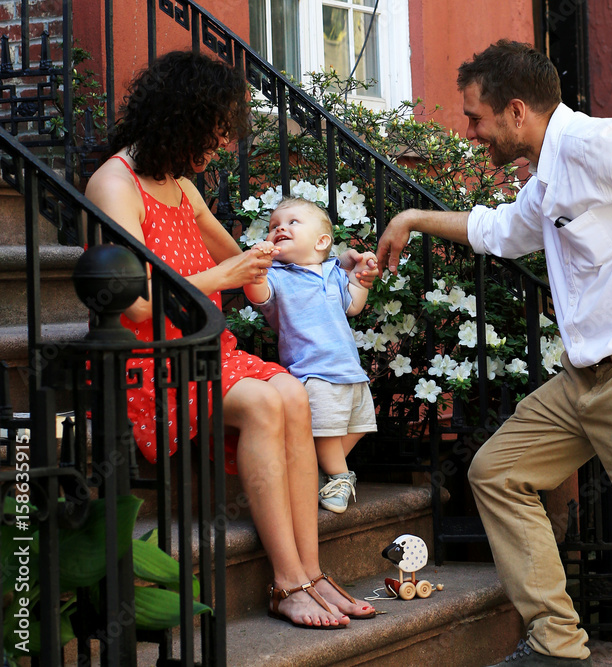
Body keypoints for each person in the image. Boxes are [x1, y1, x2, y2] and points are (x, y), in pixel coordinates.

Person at [376, 40, 612, 666]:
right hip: (587, 380)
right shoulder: (549, 173)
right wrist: (414, 218)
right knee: (496, 472)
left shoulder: (588, 144)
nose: (469, 131)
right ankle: (557, 647)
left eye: (475, 118)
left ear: (514, 111)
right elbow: (499, 231)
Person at [85, 50, 376, 629]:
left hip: (207, 354)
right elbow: (137, 302)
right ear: (180, 119)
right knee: (269, 400)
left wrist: (328, 264)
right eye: (214, 132)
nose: (219, 147)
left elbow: (245, 259)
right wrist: (226, 278)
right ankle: (286, 581)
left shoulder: (182, 188)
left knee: (292, 391)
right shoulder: (113, 184)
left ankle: (312, 574)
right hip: (149, 362)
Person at [243, 197, 378, 514]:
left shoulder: (332, 272)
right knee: (327, 431)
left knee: (359, 425)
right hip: (313, 373)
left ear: (321, 242)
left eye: (292, 223)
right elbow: (258, 294)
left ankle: (311, 467)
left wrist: (359, 276)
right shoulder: (278, 275)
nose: (280, 228)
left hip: (350, 372)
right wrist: (257, 268)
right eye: (274, 225)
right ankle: (340, 477)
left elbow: (354, 306)